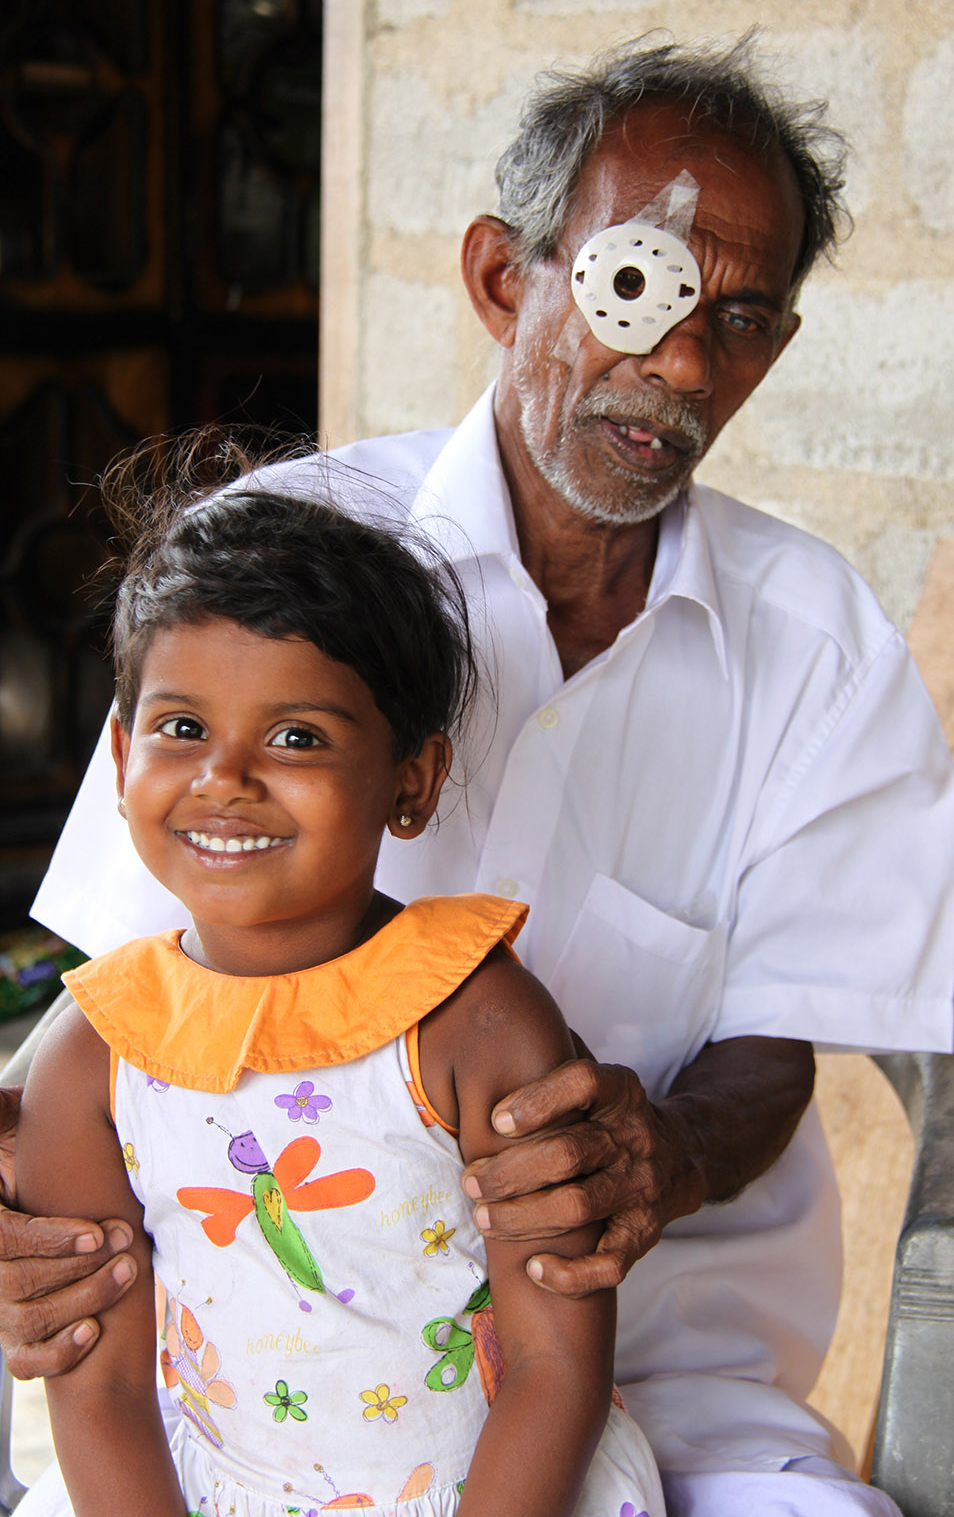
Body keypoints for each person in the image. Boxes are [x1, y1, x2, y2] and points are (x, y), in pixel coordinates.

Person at [15, 35, 954, 1517]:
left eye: (746, 319)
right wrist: (30, 1211)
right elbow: (116, 1001)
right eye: (633, 286)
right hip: (233, 1385)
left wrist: (667, 1153)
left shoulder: (821, 649)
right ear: (503, 276)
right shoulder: (268, 582)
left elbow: (783, 1049)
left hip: (666, 1372)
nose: (684, 362)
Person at [14, 467, 666, 1517]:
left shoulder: (476, 1025)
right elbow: (97, 1389)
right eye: (181, 728)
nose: (225, 776)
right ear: (123, 755)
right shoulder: (94, 1055)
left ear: (412, 781)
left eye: (297, 737)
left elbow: (556, 1369)